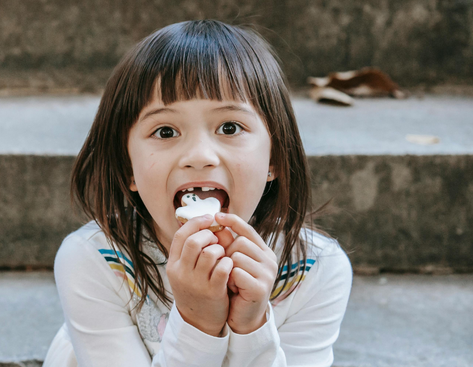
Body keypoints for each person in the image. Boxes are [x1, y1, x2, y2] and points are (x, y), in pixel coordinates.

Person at [44, 20, 352, 366]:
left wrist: (251, 326)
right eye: (165, 131)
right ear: (128, 167)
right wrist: (198, 322)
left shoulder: (313, 271)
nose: (200, 156)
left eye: (230, 127)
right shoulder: (95, 262)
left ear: (275, 158)